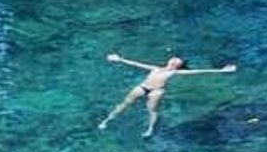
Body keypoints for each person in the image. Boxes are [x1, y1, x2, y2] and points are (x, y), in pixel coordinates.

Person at [98, 53, 237, 137]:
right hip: (143, 87)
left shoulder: (174, 72)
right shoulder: (156, 68)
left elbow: (198, 71)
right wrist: (119, 59)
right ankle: (107, 121)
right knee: (125, 103)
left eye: (177, 60)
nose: (174, 59)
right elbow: (137, 64)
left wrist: (221, 70)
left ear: (178, 65)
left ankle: (150, 129)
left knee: (152, 110)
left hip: (157, 91)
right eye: (174, 58)